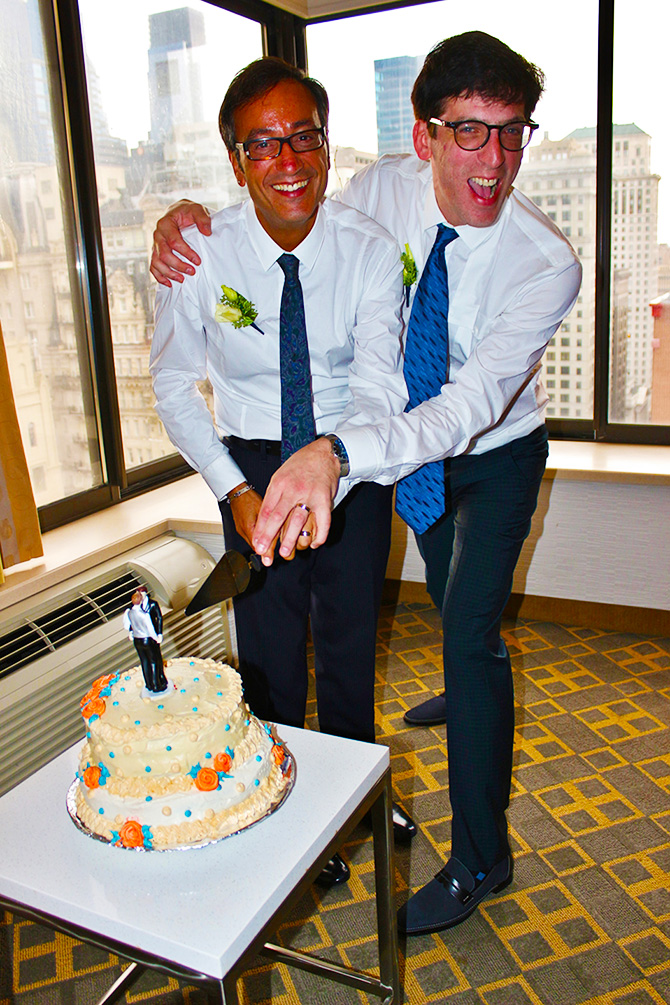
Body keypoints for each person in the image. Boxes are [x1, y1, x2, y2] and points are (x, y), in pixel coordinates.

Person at [150, 31, 582, 933]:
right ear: (424, 137)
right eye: (469, 132)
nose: (493, 161)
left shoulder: (546, 263)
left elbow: (460, 407)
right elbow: (286, 210)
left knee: (467, 633)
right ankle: (353, 769)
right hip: (378, 449)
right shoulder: (377, 190)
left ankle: (480, 861)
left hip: (490, 450)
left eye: (512, 134)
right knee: (380, 612)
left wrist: (339, 454)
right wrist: (182, 219)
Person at [149, 57, 416, 885]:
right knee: (267, 655)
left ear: (327, 145)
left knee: (347, 643)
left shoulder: (370, 252)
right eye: (263, 145)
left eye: (304, 136)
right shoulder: (201, 252)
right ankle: (279, 805)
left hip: (347, 462)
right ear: (236, 162)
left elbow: (380, 386)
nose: (289, 160)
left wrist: (331, 466)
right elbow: (170, 379)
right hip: (250, 464)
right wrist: (234, 486)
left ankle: (351, 800)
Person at [123, 588, 168, 693]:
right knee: (152, 662)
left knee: (148, 661)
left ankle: (151, 683)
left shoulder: (131, 612)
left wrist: (160, 633)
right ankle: (155, 685)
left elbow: (159, 618)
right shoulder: (144, 614)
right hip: (148, 639)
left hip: (138, 640)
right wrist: (156, 637)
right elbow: (150, 629)